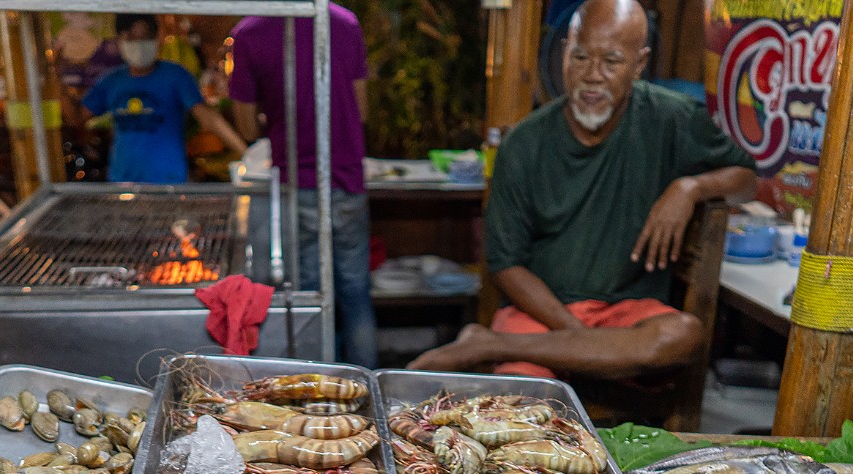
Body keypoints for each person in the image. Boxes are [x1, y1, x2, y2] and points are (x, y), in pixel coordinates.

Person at [408, 0, 755, 381]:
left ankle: (489, 344)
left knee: (682, 335)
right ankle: (513, 348)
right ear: (563, 54)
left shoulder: (673, 118)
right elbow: (506, 266)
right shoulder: (523, 143)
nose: (592, 76)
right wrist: (579, 338)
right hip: (540, 313)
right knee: (523, 394)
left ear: (639, 64)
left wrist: (690, 187)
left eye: (611, 61)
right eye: (580, 57)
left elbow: (746, 181)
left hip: (626, 314)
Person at [228, 5, 378, 369]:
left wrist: (273, 116)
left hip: (300, 182)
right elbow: (362, 109)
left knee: (312, 295)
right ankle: (365, 381)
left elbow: (246, 127)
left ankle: (319, 385)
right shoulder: (344, 22)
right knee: (355, 291)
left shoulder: (249, 32)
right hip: (348, 179)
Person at [76, 14, 246, 184]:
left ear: (157, 38)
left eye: (145, 37)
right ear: (120, 40)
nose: (139, 44)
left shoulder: (176, 76)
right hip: (123, 182)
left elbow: (208, 117)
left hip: (168, 182)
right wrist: (59, 81)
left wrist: (245, 152)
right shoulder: (112, 81)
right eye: (132, 38)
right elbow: (77, 117)